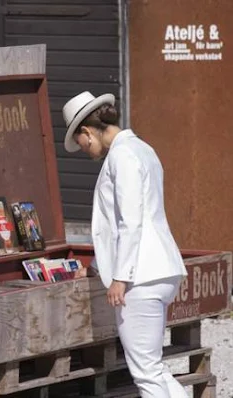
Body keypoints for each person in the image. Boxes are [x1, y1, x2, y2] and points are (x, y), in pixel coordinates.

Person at [62, 91, 189, 398]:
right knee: (153, 370)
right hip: (158, 268)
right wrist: (96, 267)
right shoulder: (143, 149)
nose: (81, 149)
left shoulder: (122, 156)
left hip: (140, 276)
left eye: (78, 142)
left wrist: (120, 276)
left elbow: (129, 221)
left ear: (86, 132)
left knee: (146, 375)